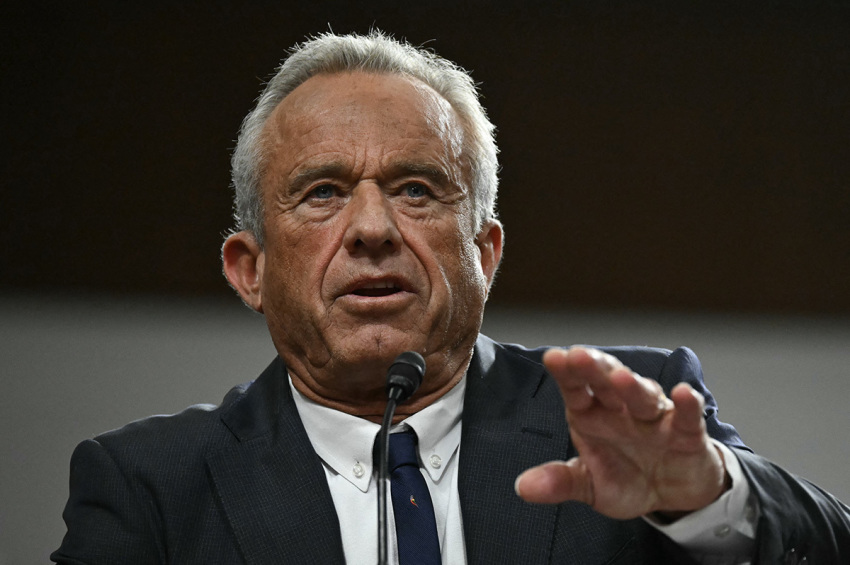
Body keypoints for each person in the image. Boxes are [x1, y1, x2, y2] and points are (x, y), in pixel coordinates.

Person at [52, 31, 849, 564]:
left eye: (416, 189)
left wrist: (709, 495)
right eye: (324, 192)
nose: (372, 229)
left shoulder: (619, 415)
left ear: (485, 252)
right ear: (248, 269)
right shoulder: (151, 486)